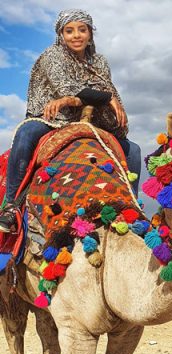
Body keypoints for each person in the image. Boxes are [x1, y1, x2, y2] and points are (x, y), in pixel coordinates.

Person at [0, 9, 141, 233]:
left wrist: (82, 99)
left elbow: (94, 90)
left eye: (82, 30)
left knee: (132, 150)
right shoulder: (52, 56)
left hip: (90, 120)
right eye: (69, 31)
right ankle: (11, 206)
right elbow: (70, 89)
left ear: (90, 34)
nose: (76, 35)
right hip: (52, 118)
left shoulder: (100, 62)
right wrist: (108, 98)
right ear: (61, 35)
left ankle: (130, 207)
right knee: (26, 134)